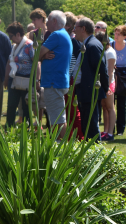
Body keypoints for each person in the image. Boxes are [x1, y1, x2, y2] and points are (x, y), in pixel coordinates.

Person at [73, 17, 109, 142]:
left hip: (90, 92)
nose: (73, 31)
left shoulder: (92, 45)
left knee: (91, 125)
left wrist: (105, 87)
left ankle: (94, 152)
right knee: (87, 125)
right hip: (86, 91)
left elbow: (102, 69)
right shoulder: (87, 44)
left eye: (75, 28)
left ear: (83, 28)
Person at [39, 10, 72, 140]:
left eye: (48, 20)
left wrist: (41, 55)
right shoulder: (63, 34)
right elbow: (40, 55)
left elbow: (36, 54)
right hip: (57, 81)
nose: (46, 23)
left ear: (54, 21)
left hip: (53, 82)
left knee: (57, 119)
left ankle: (61, 147)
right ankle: (59, 144)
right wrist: (43, 56)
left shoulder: (56, 35)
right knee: (57, 117)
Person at [4, 22, 40, 129]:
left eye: (11, 36)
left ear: (18, 34)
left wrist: (37, 80)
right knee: (11, 106)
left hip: (27, 81)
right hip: (14, 80)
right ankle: (8, 128)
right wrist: (6, 79)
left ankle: (26, 130)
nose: (10, 39)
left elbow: (36, 63)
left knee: (26, 107)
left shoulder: (30, 45)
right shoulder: (13, 46)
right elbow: (9, 63)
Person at [112, 25, 126, 136]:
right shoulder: (111, 45)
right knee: (110, 103)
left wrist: (124, 71)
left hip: (123, 77)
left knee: (121, 104)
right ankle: (110, 128)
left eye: (119, 34)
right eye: (115, 33)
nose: (116, 36)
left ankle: (120, 129)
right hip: (112, 76)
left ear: (125, 36)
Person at [64, 11, 83, 140]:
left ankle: (78, 136)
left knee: (71, 109)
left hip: (70, 79)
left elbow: (76, 62)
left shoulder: (74, 41)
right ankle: (70, 135)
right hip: (66, 78)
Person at [95, 32, 116, 141]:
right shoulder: (104, 51)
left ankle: (110, 132)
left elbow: (110, 71)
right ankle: (106, 130)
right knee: (104, 107)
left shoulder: (110, 52)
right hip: (103, 83)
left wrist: (107, 86)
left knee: (110, 107)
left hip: (109, 83)